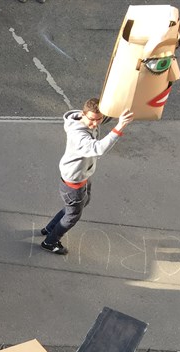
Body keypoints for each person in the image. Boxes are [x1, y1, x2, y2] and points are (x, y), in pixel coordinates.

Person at [40, 100, 134, 255]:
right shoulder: (78, 134)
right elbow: (98, 148)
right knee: (72, 216)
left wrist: (121, 105)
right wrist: (120, 126)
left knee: (81, 203)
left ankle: (50, 229)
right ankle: (49, 242)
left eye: (99, 119)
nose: (95, 124)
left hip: (82, 176)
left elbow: (108, 115)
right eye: (92, 119)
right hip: (74, 182)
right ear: (83, 114)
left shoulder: (87, 119)